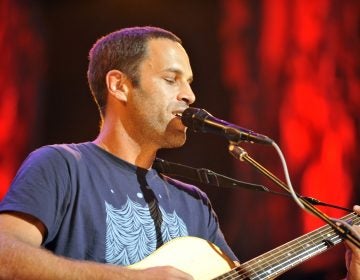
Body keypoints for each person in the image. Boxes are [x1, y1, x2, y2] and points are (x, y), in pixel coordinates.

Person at [0, 26, 359, 280]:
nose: (189, 96)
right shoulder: (62, 166)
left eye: (190, 83)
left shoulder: (194, 203)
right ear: (119, 85)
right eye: (172, 79)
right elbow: (4, 256)